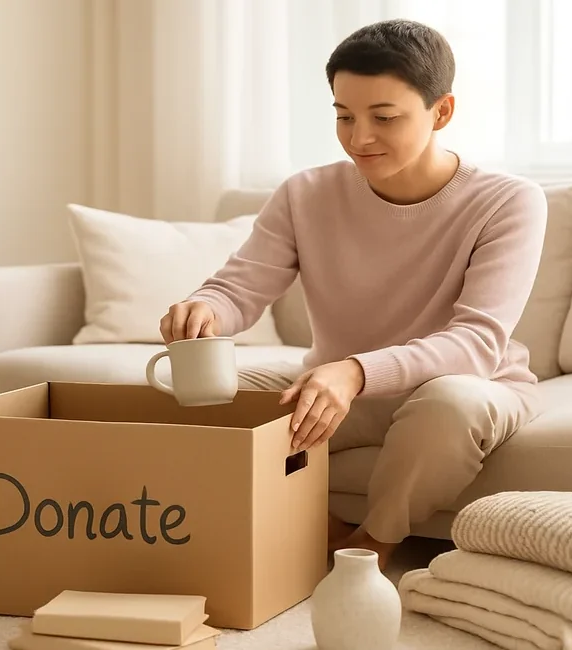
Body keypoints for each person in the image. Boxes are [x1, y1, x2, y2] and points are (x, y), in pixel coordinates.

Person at [159, 18, 548, 570]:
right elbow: (241, 285)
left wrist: (355, 372)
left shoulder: (508, 201)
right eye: (344, 116)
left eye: (384, 118)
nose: (359, 138)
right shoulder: (305, 193)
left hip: (470, 386)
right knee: (180, 399)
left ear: (441, 112)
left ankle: (372, 547)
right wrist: (206, 308)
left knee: (448, 404)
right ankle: (323, 531)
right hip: (339, 387)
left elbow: (476, 343)